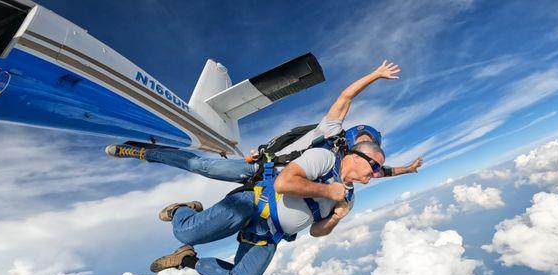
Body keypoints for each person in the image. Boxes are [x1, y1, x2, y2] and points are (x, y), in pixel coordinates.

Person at [104, 60, 423, 183]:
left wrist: (407, 169)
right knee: (202, 167)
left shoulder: (355, 166)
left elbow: (382, 171)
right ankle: (142, 151)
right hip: (260, 168)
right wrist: (376, 75)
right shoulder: (331, 134)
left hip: (273, 186)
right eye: (371, 160)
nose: (371, 169)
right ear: (358, 147)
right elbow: (344, 99)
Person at [149, 141, 385, 275]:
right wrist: (327, 191)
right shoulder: (325, 160)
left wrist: (336, 218)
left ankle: (186, 259)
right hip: (252, 204)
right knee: (184, 232)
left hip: (269, 235)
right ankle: (182, 209)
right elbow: (284, 183)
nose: (375, 175)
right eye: (375, 167)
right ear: (355, 157)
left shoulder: (348, 199)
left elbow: (315, 232)